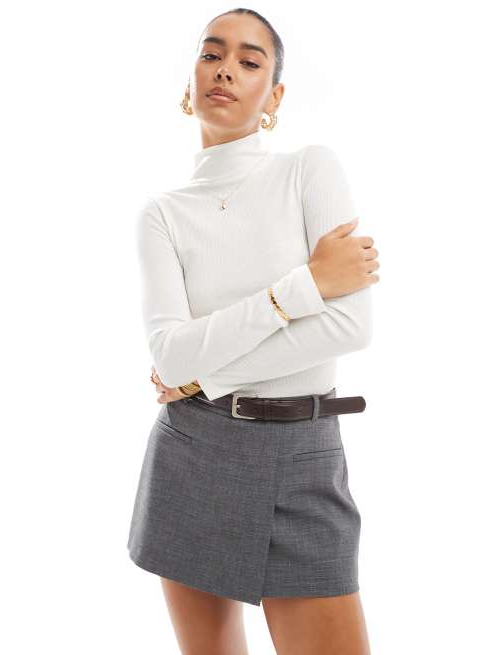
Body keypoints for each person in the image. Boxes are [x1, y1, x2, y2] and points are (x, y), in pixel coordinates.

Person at [127, 8, 379, 654]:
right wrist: (302, 287)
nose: (225, 71)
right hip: (194, 451)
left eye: (249, 61)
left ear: (275, 96)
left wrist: (199, 374)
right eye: (211, 55)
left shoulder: (308, 170)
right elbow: (168, 353)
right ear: (189, 83)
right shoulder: (162, 216)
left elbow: (348, 326)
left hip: (304, 453)